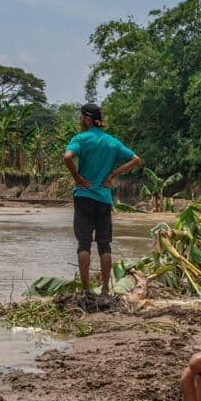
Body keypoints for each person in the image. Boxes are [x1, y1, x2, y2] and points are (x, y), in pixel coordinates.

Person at [62, 103, 140, 295]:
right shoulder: (112, 142)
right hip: (104, 199)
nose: (79, 121)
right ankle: (105, 289)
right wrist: (113, 175)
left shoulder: (80, 139)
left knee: (84, 244)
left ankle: (86, 289)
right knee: (105, 245)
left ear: (88, 119)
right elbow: (136, 159)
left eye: (80, 117)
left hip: (84, 196)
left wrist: (77, 178)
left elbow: (67, 157)